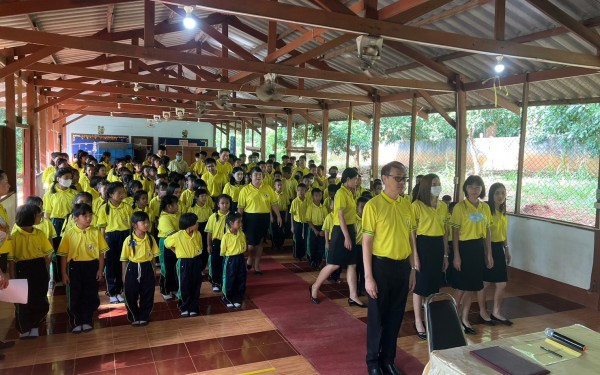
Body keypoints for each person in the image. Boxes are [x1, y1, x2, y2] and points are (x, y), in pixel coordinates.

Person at [362, 162, 417, 375]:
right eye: (398, 178)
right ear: (384, 179)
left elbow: (411, 239)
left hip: (402, 267)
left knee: (395, 318)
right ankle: (373, 362)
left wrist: (412, 268)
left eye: (404, 178)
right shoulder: (373, 206)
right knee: (377, 318)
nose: (402, 183)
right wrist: (368, 276)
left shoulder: (407, 205)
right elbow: (367, 242)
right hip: (381, 267)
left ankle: (388, 360)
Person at [310, 168, 365, 308]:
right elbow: (340, 216)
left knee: (352, 264)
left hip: (350, 229)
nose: (357, 181)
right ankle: (315, 287)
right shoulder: (340, 193)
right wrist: (346, 236)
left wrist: (349, 234)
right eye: (355, 179)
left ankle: (353, 296)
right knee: (334, 264)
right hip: (340, 231)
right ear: (347, 180)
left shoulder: (350, 192)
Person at [450, 175, 493, 334]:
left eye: (478, 187)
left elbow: (487, 230)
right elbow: (454, 232)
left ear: (481, 189)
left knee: (471, 287)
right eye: (471, 186)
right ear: (466, 188)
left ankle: (464, 318)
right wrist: (456, 255)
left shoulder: (485, 208)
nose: (474, 190)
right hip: (463, 247)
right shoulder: (460, 207)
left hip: (477, 248)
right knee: (461, 287)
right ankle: (452, 317)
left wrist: (489, 253)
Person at [58, 203, 107, 333]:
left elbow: (101, 254)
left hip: (92, 266)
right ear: (75, 218)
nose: (88, 218)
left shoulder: (95, 232)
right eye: (84, 216)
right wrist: (64, 273)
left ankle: (87, 319)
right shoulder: (69, 234)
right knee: (75, 294)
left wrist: (100, 270)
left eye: (90, 215)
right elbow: (63, 256)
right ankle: (76, 321)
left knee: (90, 293)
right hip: (75, 267)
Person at [411, 174, 449, 340]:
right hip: (423, 244)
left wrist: (446, 254)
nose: (437, 186)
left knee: (433, 285)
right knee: (420, 285)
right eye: (434, 184)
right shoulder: (417, 205)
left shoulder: (442, 206)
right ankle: (418, 321)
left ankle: (429, 318)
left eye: (439, 183)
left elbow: (445, 232)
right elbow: (412, 232)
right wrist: (415, 256)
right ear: (426, 186)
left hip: (437, 246)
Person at [7, 204, 53, 338]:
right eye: (39, 215)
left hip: (38, 267)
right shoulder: (14, 236)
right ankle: (24, 328)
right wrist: (13, 279)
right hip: (22, 268)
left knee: (38, 298)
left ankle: (35, 325)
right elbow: (11, 261)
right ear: (31, 217)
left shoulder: (39, 233)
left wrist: (46, 272)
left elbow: (47, 254)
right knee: (23, 300)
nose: (41, 217)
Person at [478, 182, 513, 326]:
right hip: (487, 248)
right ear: (491, 194)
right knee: (485, 283)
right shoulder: (486, 210)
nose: (500, 196)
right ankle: (482, 311)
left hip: (498, 248)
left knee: (501, 284)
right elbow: (484, 232)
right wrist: (488, 253)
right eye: (497, 193)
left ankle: (496, 312)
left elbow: (503, 233)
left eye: (503, 193)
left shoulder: (503, 212)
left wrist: (507, 249)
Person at [238, 167, 282, 275]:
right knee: (252, 243)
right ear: (250, 176)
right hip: (250, 218)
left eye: (260, 175)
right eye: (256, 175)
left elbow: (274, 203)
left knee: (261, 242)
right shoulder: (245, 190)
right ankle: (249, 258)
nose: (258, 176)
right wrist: (239, 220)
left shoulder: (268, 188)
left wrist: (278, 216)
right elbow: (240, 207)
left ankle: (257, 266)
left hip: (264, 217)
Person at [121, 211, 158, 326]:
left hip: (147, 267)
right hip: (132, 267)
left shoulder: (150, 239)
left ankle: (144, 316)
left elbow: (153, 258)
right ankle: (134, 315)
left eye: (148, 222)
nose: (147, 224)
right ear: (134, 225)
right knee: (131, 293)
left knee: (147, 292)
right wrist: (124, 275)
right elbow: (124, 259)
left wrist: (154, 271)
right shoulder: (129, 240)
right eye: (143, 222)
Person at [97, 182, 132, 304]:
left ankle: (119, 290)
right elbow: (102, 229)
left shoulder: (127, 207)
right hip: (110, 238)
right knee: (111, 265)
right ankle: (111, 292)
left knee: (122, 264)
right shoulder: (103, 208)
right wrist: (103, 246)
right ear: (111, 194)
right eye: (119, 193)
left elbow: (131, 226)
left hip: (125, 236)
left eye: (123, 192)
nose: (122, 195)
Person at [43, 167, 78, 284]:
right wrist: (47, 230)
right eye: (66, 178)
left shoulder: (74, 193)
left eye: (70, 178)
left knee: (72, 248)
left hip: (71, 222)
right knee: (58, 249)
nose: (69, 180)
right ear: (58, 179)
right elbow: (47, 215)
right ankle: (58, 276)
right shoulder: (49, 194)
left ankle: (70, 272)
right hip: (56, 224)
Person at [165, 213, 203, 317]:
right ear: (189, 224)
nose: (198, 224)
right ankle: (184, 306)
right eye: (196, 222)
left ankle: (194, 307)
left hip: (196, 261)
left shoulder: (198, 234)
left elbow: (199, 247)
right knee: (184, 284)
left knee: (196, 284)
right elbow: (166, 243)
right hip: (183, 262)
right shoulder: (178, 235)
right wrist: (176, 252)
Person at [220, 212, 247, 309]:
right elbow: (223, 251)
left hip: (240, 258)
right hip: (230, 259)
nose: (241, 224)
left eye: (241, 222)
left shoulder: (241, 234)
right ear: (231, 224)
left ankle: (236, 298)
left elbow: (244, 245)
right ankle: (227, 297)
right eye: (238, 222)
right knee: (229, 278)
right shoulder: (226, 236)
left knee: (240, 277)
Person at [206, 194, 231, 293]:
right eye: (222, 203)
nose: (225, 205)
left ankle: (225, 281)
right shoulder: (213, 216)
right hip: (217, 242)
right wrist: (209, 245)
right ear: (218, 204)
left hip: (229, 243)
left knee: (226, 263)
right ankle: (216, 282)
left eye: (227, 203)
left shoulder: (232, 216)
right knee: (215, 262)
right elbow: (209, 232)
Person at [157, 195, 180, 301]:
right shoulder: (164, 218)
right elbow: (173, 233)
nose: (178, 206)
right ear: (169, 207)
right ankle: (165, 290)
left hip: (176, 242)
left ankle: (174, 287)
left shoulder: (177, 214)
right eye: (176, 204)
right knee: (166, 267)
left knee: (175, 266)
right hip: (166, 244)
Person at [305, 188, 327, 270]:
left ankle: (318, 262)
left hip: (321, 228)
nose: (318, 197)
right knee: (312, 246)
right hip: (313, 228)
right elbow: (308, 220)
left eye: (320, 195)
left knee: (321, 246)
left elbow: (326, 220)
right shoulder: (310, 207)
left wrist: (323, 230)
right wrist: (315, 230)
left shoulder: (323, 207)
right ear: (312, 197)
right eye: (316, 196)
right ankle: (312, 261)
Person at [355, 196, 370, 296]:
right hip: (356, 247)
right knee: (355, 269)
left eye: (366, 207)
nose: (364, 209)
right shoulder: (353, 220)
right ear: (357, 208)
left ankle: (363, 288)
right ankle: (355, 289)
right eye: (362, 207)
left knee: (364, 269)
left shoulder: (369, 219)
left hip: (366, 248)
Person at [290, 183, 308, 261]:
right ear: (297, 191)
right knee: (298, 239)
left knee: (305, 239)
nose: (301, 192)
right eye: (299, 190)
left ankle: (304, 254)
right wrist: (292, 226)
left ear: (305, 191)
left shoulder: (308, 201)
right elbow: (292, 214)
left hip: (306, 223)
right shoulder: (294, 201)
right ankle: (297, 255)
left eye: (303, 190)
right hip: (297, 223)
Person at [272, 179, 288, 251]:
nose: (280, 186)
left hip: (283, 213)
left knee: (282, 230)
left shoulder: (285, 194)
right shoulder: (272, 194)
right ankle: (275, 245)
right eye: (278, 185)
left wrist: (286, 216)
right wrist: (271, 216)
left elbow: (287, 207)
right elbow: (270, 206)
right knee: (275, 230)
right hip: (275, 213)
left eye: (281, 185)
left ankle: (281, 244)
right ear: (274, 186)